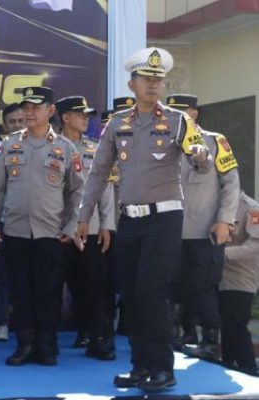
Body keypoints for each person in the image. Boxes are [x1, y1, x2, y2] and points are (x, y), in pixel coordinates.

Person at [76, 47, 212, 392]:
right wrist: (83, 214)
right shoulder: (117, 123)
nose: (153, 85)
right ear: (132, 84)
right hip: (130, 221)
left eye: (158, 80)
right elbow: (98, 172)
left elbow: (201, 159)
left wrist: (201, 156)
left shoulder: (179, 121)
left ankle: (163, 369)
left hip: (164, 219)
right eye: (146, 79)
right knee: (131, 295)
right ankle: (140, 367)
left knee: (152, 291)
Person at [0, 86, 85, 366]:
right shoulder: (9, 145)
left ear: (50, 111)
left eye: (35, 107)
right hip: (15, 231)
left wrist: (72, 226)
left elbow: (78, 192)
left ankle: (46, 344)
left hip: (50, 234)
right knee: (20, 292)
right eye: (26, 107)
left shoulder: (65, 148)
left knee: (48, 292)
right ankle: (25, 344)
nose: (29, 113)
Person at [166, 94, 240, 360]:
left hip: (204, 229)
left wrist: (225, 220)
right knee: (170, 285)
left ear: (194, 113)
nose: (175, 116)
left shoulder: (214, 141)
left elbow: (231, 183)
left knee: (204, 286)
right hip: (169, 229)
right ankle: (178, 336)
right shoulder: (161, 142)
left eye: (182, 111)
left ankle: (209, 342)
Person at [55, 96, 117, 360]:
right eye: (80, 114)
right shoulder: (50, 145)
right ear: (65, 117)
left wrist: (107, 225)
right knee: (55, 287)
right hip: (57, 231)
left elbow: (106, 189)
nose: (86, 119)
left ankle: (98, 338)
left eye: (87, 115)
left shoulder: (96, 148)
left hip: (90, 229)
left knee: (93, 286)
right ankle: (48, 341)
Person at [0, 103, 25, 342]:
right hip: (3, 221)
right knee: (1, 275)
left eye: (21, 120)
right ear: (4, 126)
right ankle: (1, 323)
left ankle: (26, 324)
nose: (18, 125)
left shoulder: (43, 146)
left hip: (32, 223)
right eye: (12, 121)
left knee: (29, 277)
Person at [218, 191, 259, 377]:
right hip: (217, 275)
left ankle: (248, 369)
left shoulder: (252, 209)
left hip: (241, 276)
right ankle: (227, 367)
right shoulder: (214, 204)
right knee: (225, 326)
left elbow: (256, 246)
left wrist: (224, 255)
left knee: (236, 325)